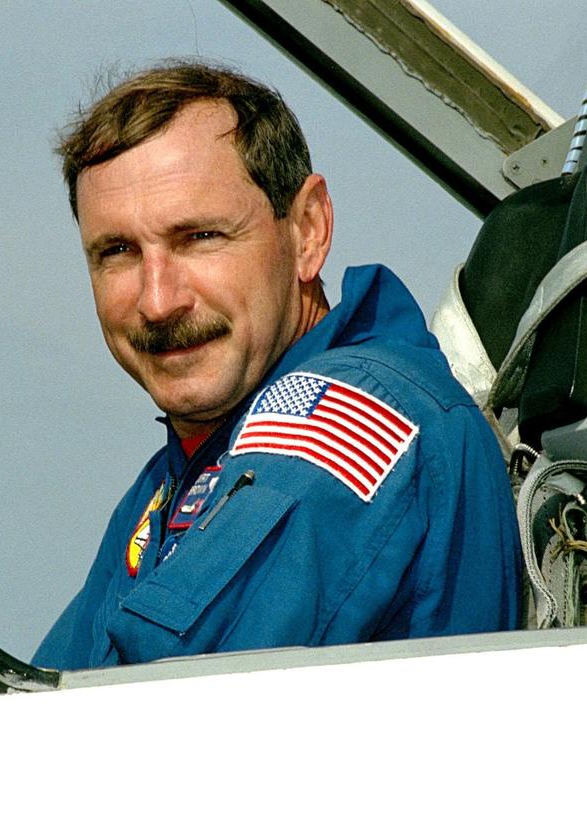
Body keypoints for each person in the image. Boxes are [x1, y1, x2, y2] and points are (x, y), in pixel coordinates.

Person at [32, 61, 520, 670]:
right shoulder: (173, 481)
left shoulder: (345, 420)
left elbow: (167, 716)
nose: (157, 301)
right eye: (118, 252)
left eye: (201, 237)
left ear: (308, 231)